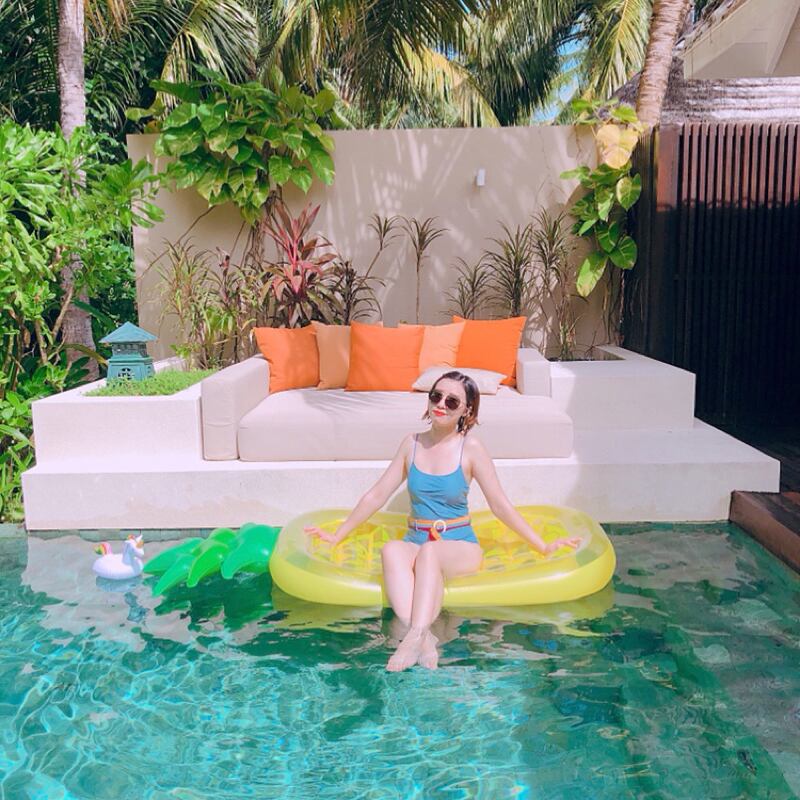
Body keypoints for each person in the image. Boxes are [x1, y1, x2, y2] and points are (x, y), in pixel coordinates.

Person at [304, 370, 581, 672]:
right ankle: (424, 637)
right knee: (392, 549)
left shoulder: (471, 448)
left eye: (452, 401)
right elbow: (377, 494)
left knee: (431, 552)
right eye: (436, 396)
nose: (441, 405)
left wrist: (542, 545)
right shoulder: (411, 444)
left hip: (459, 545)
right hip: (416, 540)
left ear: (467, 411)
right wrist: (339, 534)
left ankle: (414, 636)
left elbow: (499, 505)